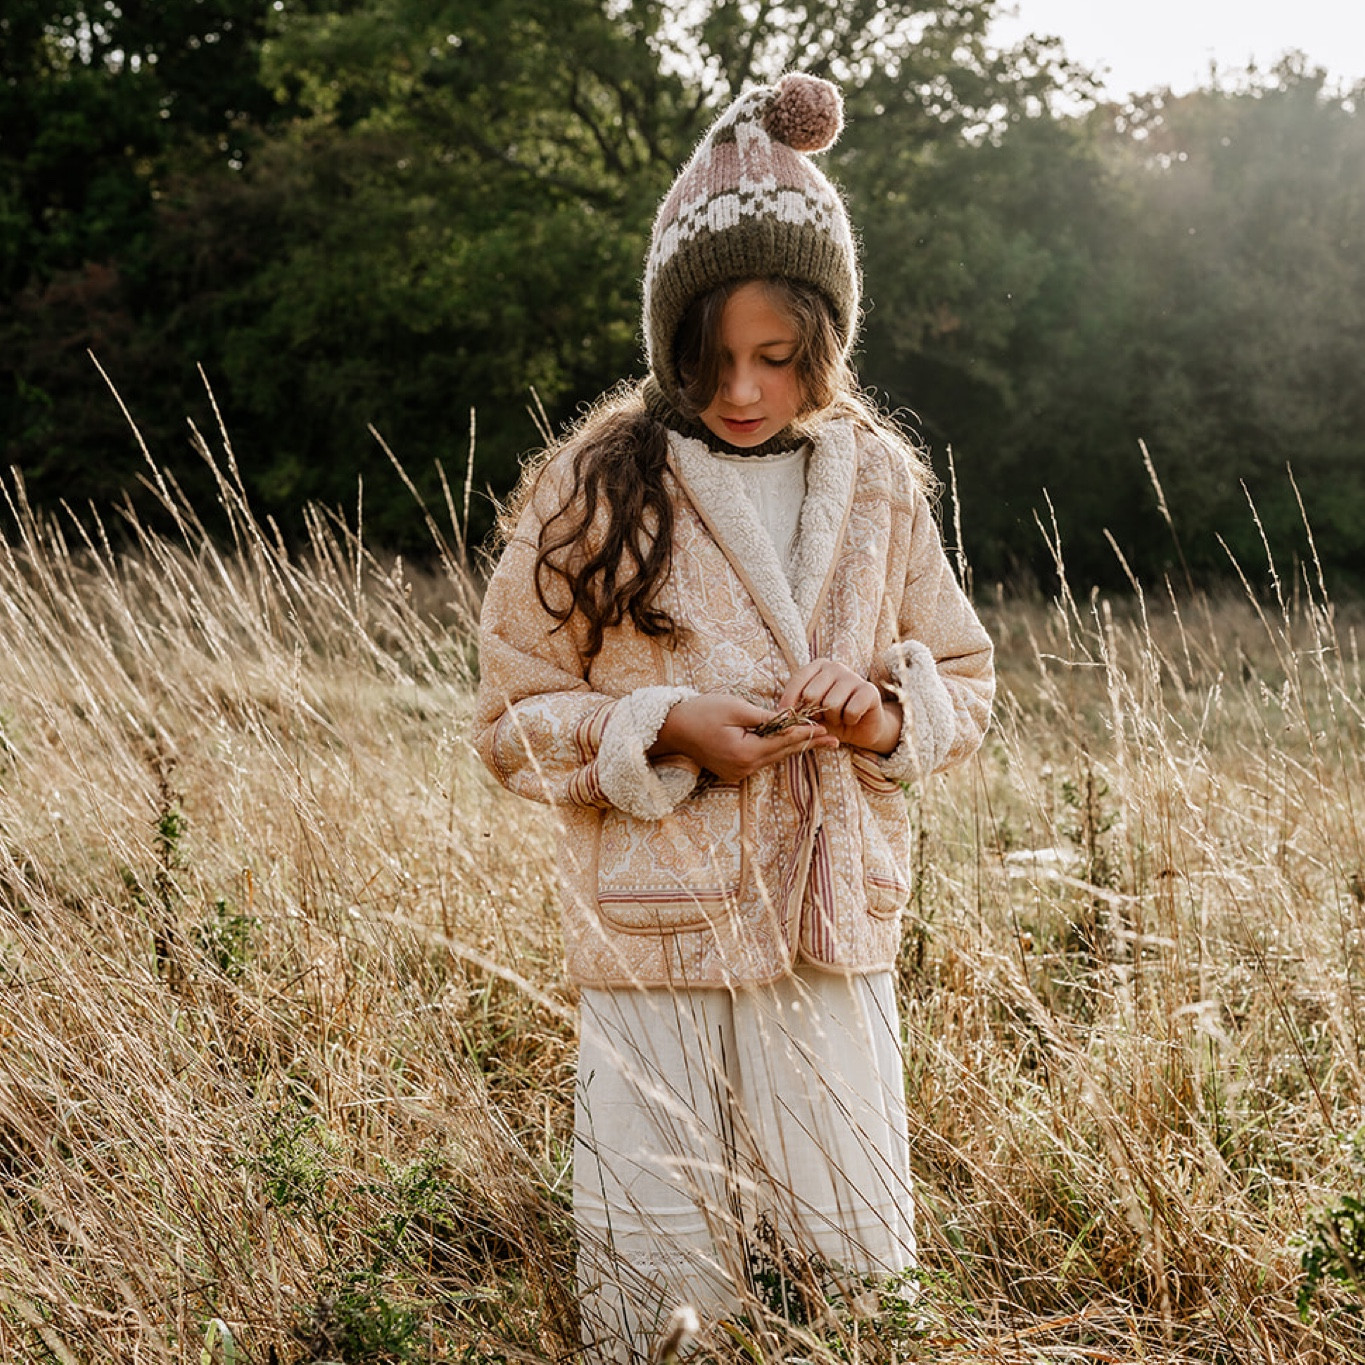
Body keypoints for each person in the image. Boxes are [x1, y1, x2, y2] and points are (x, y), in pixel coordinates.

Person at [475, 71, 994, 1361]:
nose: (744, 390)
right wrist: (659, 727)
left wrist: (883, 715)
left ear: (830, 342)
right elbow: (510, 718)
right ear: (668, 344)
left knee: (851, 1259)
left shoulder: (879, 484)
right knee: (659, 1266)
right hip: (659, 926)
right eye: (711, 361)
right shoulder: (594, 486)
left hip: (830, 923)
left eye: (778, 359)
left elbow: (964, 679)